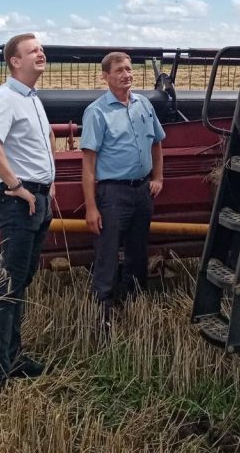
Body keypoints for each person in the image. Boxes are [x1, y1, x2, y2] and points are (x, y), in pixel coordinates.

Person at [0, 32, 55, 392]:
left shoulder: (32, 99)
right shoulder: (5, 98)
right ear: (14, 62)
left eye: (40, 48)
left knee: (21, 281)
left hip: (38, 201)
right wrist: (16, 184)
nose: (40, 53)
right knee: (9, 284)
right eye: (32, 50)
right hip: (19, 204)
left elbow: (44, 140)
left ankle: (13, 356)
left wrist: (47, 180)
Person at [80, 52, 165, 336]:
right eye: (118, 70)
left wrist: (158, 177)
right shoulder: (97, 112)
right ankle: (101, 314)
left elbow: (157, 144)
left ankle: (134, 303)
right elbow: (89, 165)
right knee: (107, 253)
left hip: (142, 191)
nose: (126, 74)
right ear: (105, 76)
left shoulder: (144, 105)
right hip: (113, 194)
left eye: (129, 69)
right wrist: (91, 207)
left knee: (138, 252)